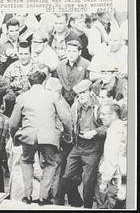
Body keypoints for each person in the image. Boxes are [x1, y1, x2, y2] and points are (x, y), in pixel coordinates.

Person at [9, 71, 72, 205]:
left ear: (29, 83)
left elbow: (13, 123)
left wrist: (14, 137)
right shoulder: (53, 96)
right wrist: (68, 135)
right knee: (50, 164)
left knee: (26, 161)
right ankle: (43, 196)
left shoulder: (22, 97)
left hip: (28, 136)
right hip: (48, 137)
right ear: (44, 82)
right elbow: (66, 119)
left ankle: (27, 195)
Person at [54, 79, 107, 208]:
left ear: (90, 92)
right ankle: (59, 206)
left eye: (83, 92)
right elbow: (70, 123)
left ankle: (87, 207)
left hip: (93, 149)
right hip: (78, 146)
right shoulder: (76, 105)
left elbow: (107, 127)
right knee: (66, 177)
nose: (81, 96)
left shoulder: (99, 106)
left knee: (88, 182)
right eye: (79, 93)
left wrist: (94, 132)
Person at [94, 103, 127, 209]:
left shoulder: (114, 131)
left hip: (115, 180)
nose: (100, 117)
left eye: (103, 114)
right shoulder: (122, 127)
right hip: (122, 178)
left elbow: (111, 159)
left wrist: (104, 181)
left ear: (113, 115)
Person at [56, 39, 90, 106]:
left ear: (79, 52)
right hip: (64, 101)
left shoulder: (86, 65)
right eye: (69, 51)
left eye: (74, 51)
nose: (71, 54)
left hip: (80, 99)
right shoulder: (60, 65)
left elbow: (89, 83)